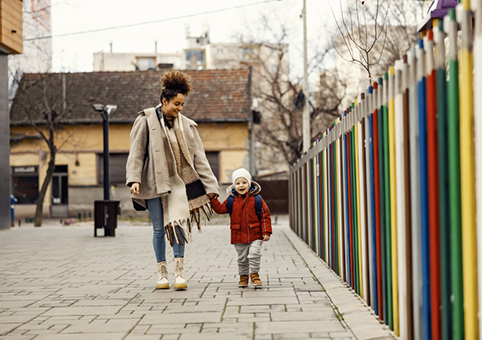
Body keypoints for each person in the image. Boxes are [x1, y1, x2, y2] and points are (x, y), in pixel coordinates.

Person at [126, 70, 219, 290]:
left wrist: (211, 186)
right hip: (153, 183)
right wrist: (134, 180)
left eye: (182, 105)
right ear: (164, 100)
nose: (179, 108)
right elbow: (136, 152)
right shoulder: (145, 119)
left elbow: (199, 158)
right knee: (159, 229)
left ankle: (179, 273)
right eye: (176, 104)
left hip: (179, 184)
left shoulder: (187, 125)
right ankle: (162, 275)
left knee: (178, 225)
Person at [209, 168, 272, 288]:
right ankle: (243, 277)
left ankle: (254, 275)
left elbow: (265, 215)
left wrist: (266, 231)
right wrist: (213, 199)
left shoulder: (257, 199)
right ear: (234, 185)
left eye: (244, 182)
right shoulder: (231, 200)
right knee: (242, 259)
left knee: (254, 254)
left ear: (249, 184)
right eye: (238, 183)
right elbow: (220, 209)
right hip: (238, 234)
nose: (241, 185)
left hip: (256, 233)